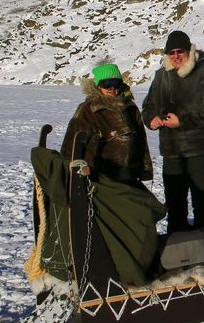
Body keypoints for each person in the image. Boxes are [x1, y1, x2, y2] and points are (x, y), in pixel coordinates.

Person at [61, 63, 166, 285]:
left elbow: (140, 145)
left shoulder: (129, 108)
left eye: (115, 83)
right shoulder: (88, 111)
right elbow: (70, 148)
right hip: (102, 183)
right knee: (134, 221)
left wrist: (142, 171)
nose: (111, 88)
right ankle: (128, 271)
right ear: (97, 86)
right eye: (106, 84)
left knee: (148, 213)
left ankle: (141, 263)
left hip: (127, 179)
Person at [142, 30, 204, 232]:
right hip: (171, 151)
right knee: (174, 200)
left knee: (201, 199)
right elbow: (149, 106)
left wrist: (183, 121)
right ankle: (177, 242)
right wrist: (150, 119)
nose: (176, 56)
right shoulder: (161, 76)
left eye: (181, 51)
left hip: (199, 149)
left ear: (189, 51)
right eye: (172, 52)